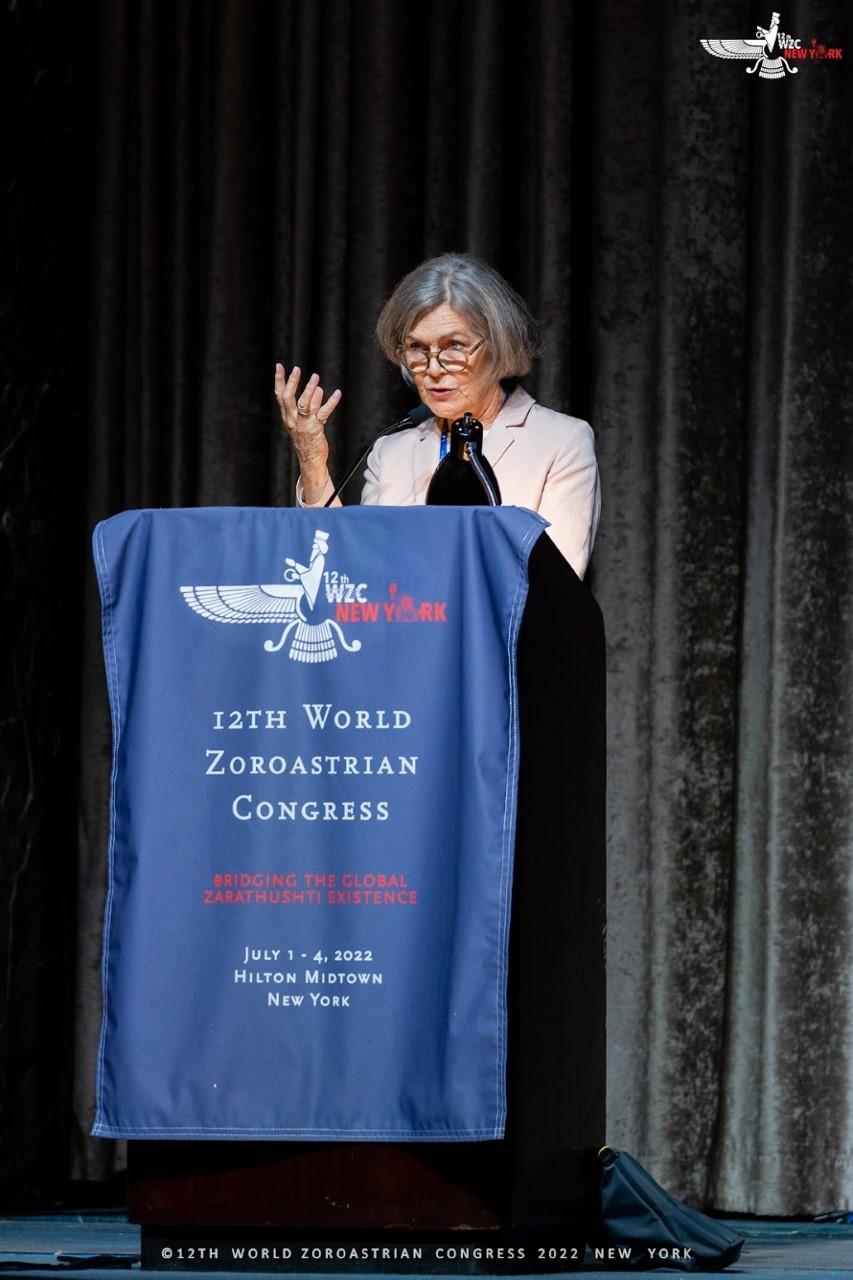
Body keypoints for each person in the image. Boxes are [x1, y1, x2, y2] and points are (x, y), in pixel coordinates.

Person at [275, 253, 601, 578]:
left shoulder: (560, 441)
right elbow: (351, 576)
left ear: (498, 345)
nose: (432, 369)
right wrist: (312, 458)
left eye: (454, 346)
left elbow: (558, 585)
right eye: (417, 349)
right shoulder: (391, 452)